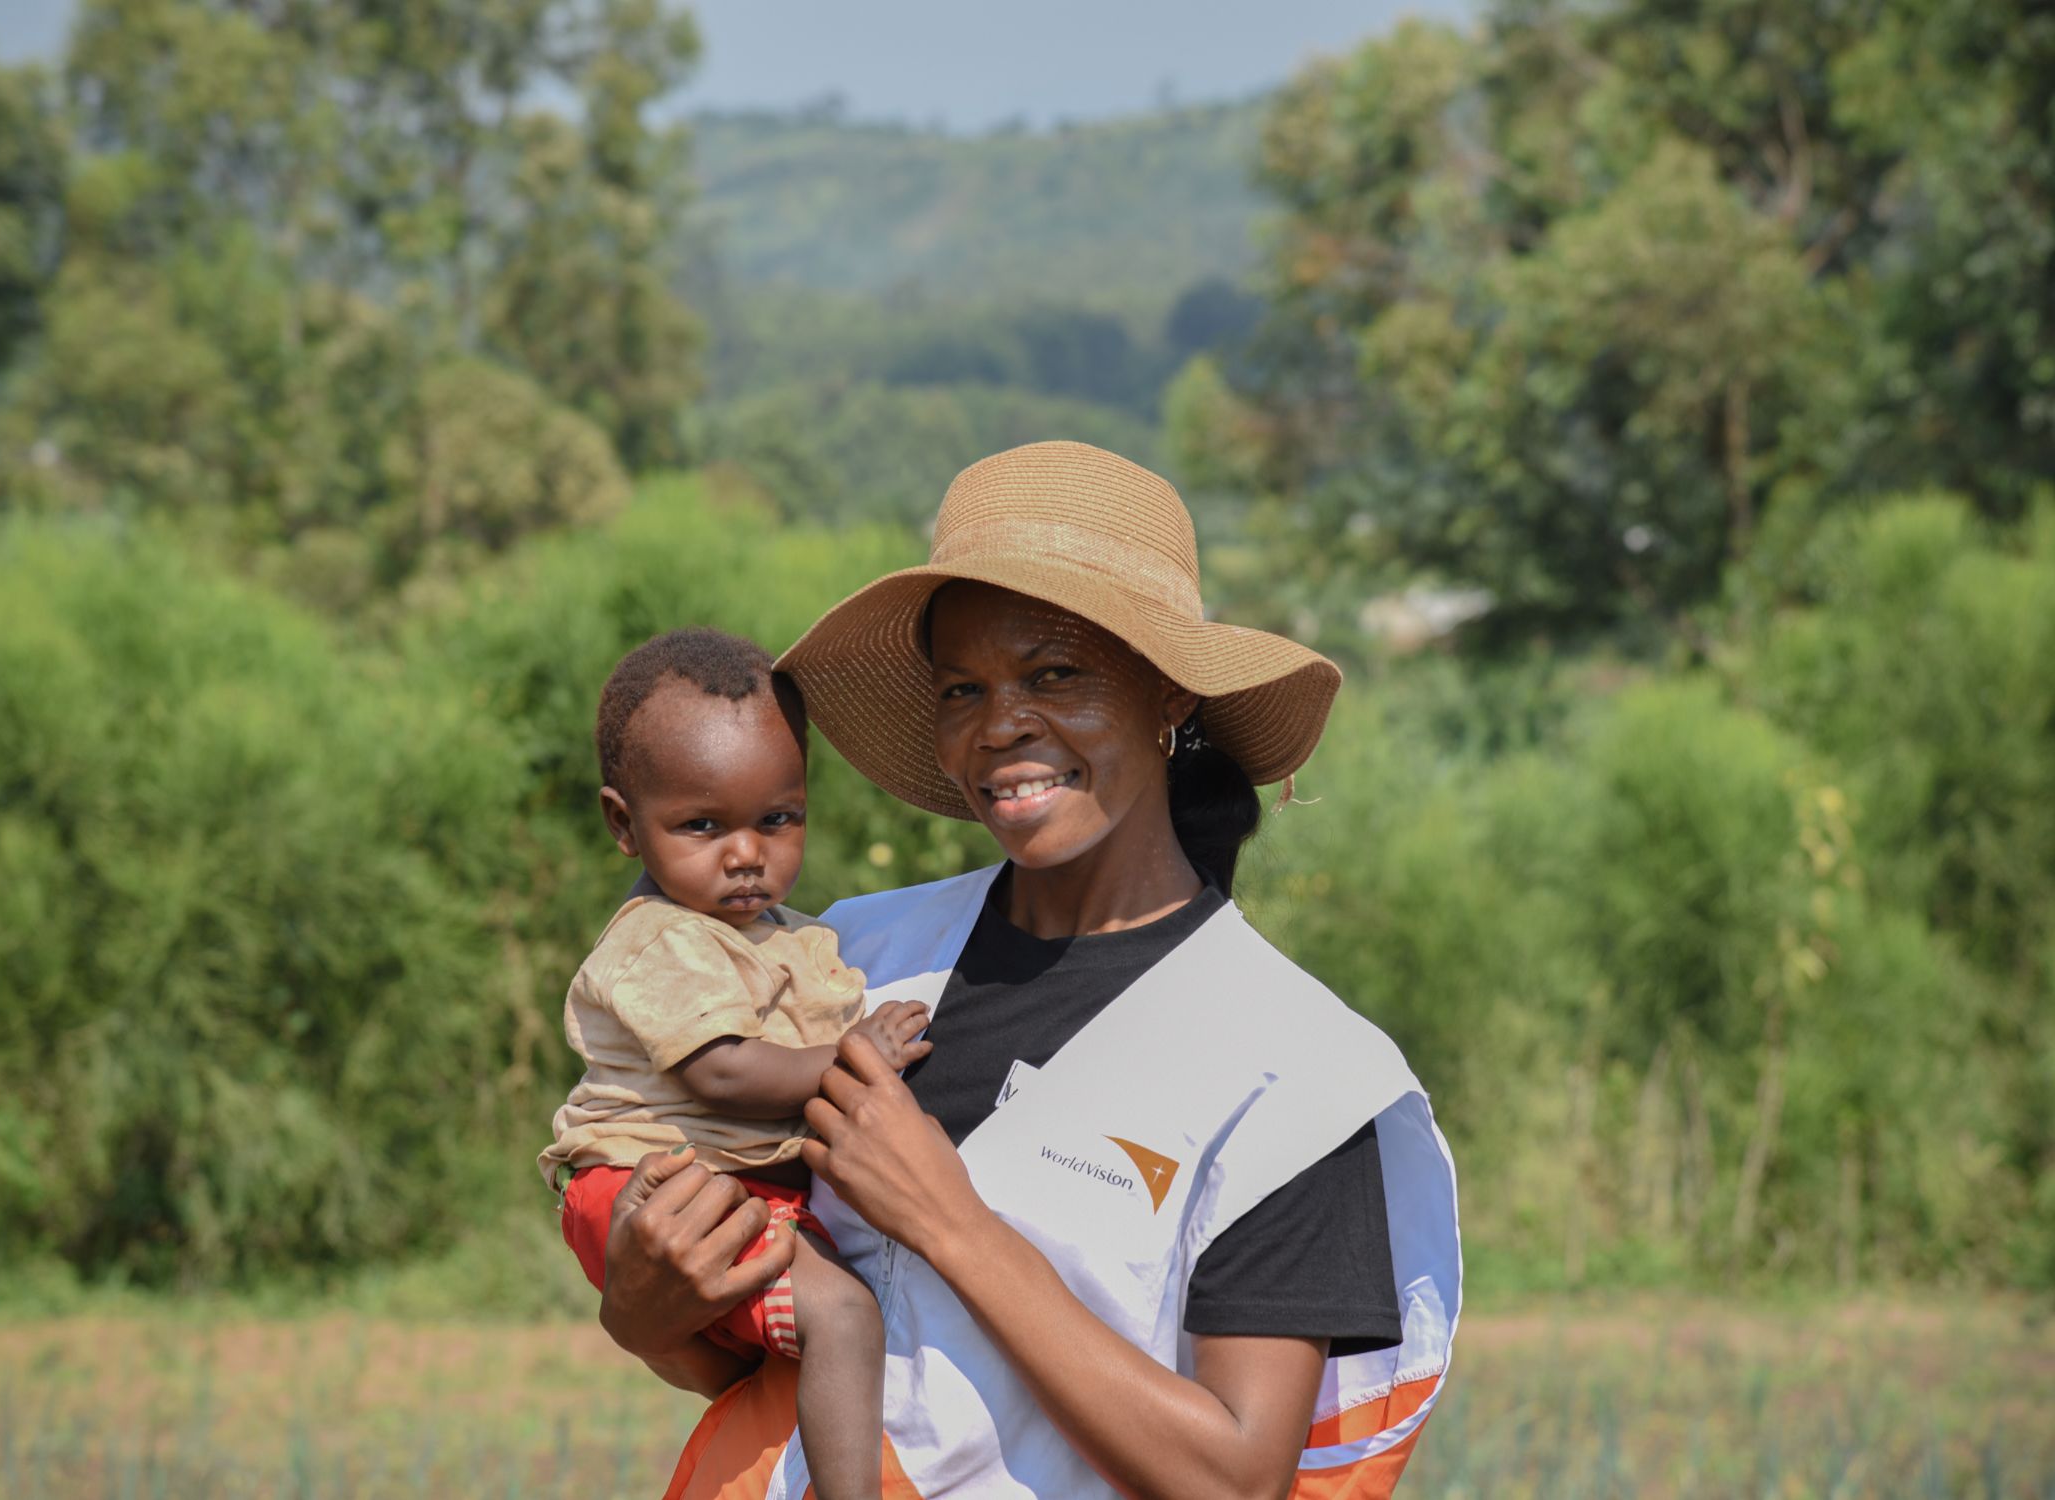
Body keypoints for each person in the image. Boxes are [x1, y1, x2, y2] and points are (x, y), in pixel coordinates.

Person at [594, 444, 1462, 1500]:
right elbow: (768, 1338)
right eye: (962, 688)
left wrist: (948, 1220)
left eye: (1055, 675)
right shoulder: (844, 963)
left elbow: (1234, 1477)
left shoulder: (1296, 1077)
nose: (1000, 724)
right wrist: (648, 1316)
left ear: (1168, 697)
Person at [539, 627, 936, 1500]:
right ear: (623, 823)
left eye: (777, 819)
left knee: (801, 1331)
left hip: (722, 1186)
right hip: (646, 1189)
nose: (747, 852)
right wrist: (853, 1056)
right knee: (841, 1313)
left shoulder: (783, 937)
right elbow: (720, 1073)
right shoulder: (664, 941)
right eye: (702, 825)